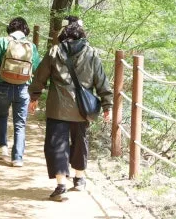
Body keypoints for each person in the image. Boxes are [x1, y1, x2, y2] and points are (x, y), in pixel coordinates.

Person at [28, 17, 113, 201]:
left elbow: (40, 76)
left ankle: (61, 185)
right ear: (82, 34)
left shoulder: (55, 51)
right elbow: (101, 80)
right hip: (82, 108)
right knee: (80, 141)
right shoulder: (91, 53)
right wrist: (107, 104)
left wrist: (34, 97)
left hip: (57, 107)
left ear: (63, 34)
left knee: (56, 144)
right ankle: (79, 179)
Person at [0, 17, 41, 167]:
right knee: (20, 123)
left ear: (10, 28)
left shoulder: (3, 42)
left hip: (3, 86)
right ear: (25, 30)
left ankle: (2, 146)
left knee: (2, 115)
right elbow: (37, 69)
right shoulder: (31, 46)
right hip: (23, 88)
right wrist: (37, 92)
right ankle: (17, 158)